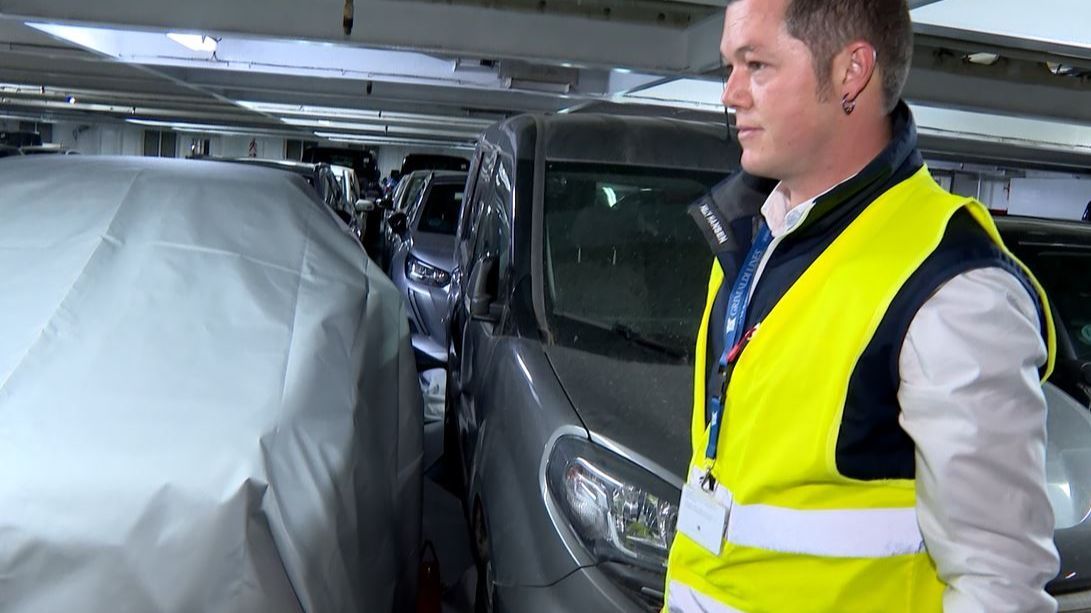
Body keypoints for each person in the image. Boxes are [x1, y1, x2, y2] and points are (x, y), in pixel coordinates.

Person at [665, 1, 1059, 612]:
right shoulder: (753, 239)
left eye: (757, 65)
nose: (730, 94)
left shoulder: (951, 288)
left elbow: (998, 584)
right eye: (729, 68)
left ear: (851, 73)